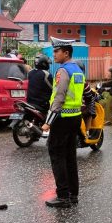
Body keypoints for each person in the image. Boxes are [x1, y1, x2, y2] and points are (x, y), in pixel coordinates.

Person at [40, 39, 87, 208]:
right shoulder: (78, 70)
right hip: (75, 117)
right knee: (70, 157)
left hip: (62, 119)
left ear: (66, 53)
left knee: (57, 156)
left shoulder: (63, 70)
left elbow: (59, 97)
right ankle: (73, 194)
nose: (53, 55)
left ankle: (62, 196)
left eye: (56, 51)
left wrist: (48, 122)